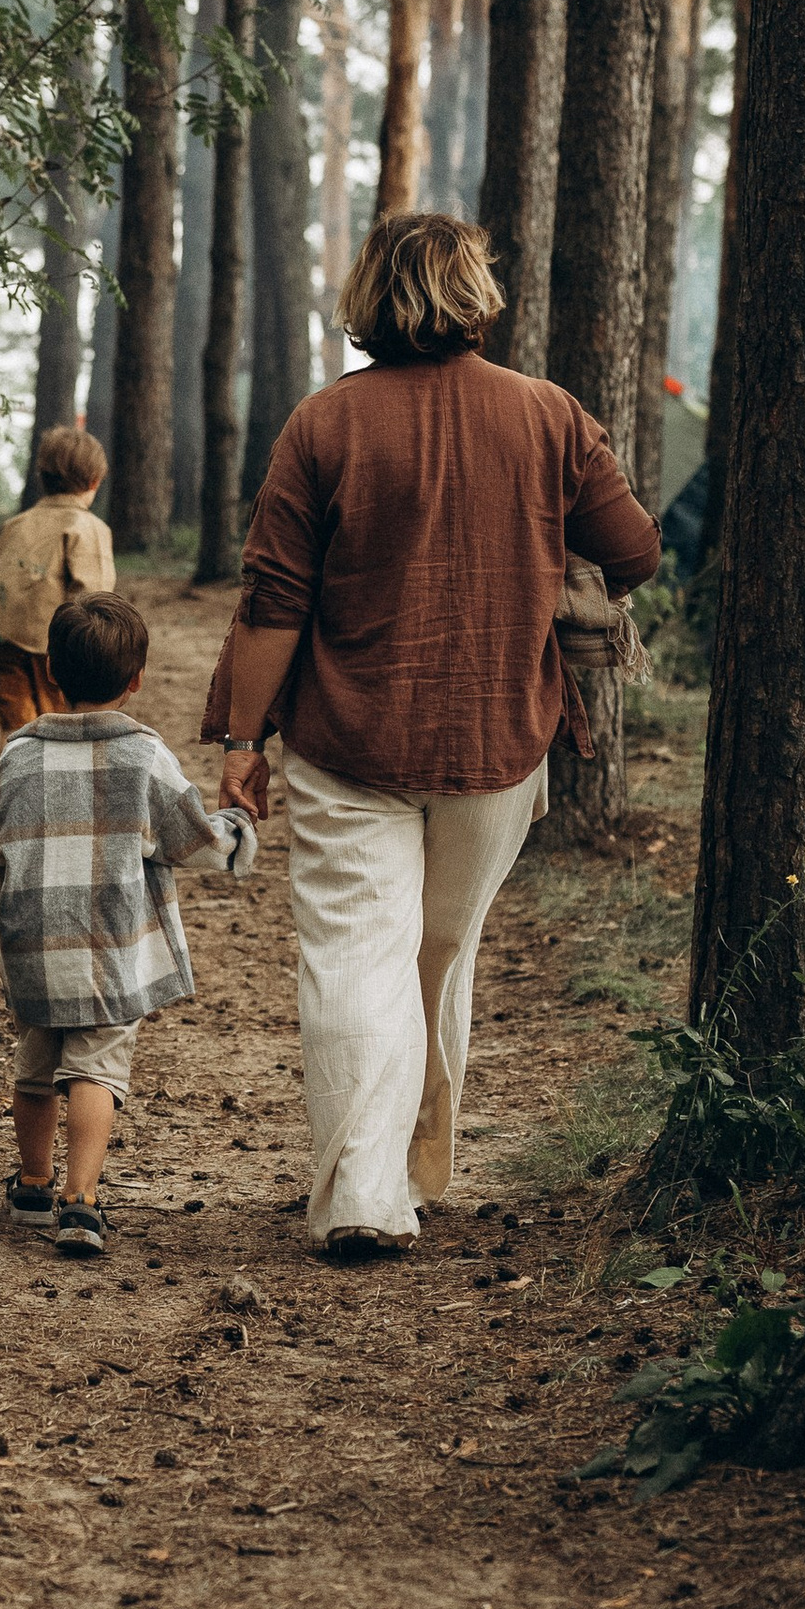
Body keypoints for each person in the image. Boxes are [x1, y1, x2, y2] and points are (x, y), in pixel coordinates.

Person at [202, 208, 660, 1263]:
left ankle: (365, 1192)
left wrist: (240, 744)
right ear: (477, 297)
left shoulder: (320, 426)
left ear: (369, 295)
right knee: (435, 955)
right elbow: (631, 550)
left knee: (358, 955)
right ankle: (411, 1165)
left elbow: (272, 605)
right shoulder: (547, 415)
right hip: (496, 739)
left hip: (344, 737)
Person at [0, 589, 258, 1258]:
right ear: (136, 681)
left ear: (51, 670)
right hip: (109, 947)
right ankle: (80, 1200)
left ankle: (32, 1184)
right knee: (96, 1070)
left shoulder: (16, 755)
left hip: (35, 945)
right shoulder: (144, 756)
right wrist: (235, 831)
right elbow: (184, 835)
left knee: (35, 1064)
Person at [0, 422, 117, 737]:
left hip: (4, 643)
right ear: (94, 482)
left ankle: (11, 785)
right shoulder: (89, 528)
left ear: (41, 477)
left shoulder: (16, 524)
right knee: (58, 733)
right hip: (54, 655)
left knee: (16, 733)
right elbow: (93, 600)